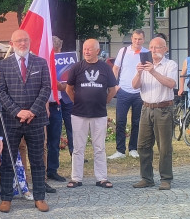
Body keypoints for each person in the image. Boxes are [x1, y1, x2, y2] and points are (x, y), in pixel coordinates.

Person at [0, 29, 52, 213]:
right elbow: (0, 91)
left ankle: (40, 197)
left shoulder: (41, 63)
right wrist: (17, 111)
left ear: (30, 42)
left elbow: (46, 88)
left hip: (35, 120)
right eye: (18, 41)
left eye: (25, 40)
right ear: (11, 43)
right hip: (11, 120)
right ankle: (6, 198)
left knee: (37, 160)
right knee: (8, 160)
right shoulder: (3, 66)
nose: (22, 44)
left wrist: (32, 111)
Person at [65, 39, 118, 188]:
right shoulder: (77, 67)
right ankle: (76, 178)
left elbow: (113, 89)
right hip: (79, 114)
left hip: (99, 114)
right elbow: (69, 89)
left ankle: (102, 178)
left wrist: (105, 101)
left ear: (97, 51)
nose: (86, 51)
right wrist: (78, 101)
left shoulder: (105, 68)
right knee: (78, 147)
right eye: (85, 49)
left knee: (99, 147)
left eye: (90, 49)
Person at [131, 37, 178, 190]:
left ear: (165, 49)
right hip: (146, 108)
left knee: (164, 146)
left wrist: (153, 71)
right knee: (142, 145)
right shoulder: (144, 66)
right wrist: (139, 73)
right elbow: (134, 86)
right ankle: (146, 178)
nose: (153, 50)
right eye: (151, 47)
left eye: (157, 47)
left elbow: (171, 84)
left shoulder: (170, 64)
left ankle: (165, 178)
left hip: (163, 108)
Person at [109, 30, 145, 159]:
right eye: (135, 39)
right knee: (120, 121)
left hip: (139, 92)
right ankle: (120, 150)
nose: (137, 41)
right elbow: (116, 68)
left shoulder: (145, 53)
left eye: (140, 39)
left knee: (136, 122)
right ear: (131, 38)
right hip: (123, 90)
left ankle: (133, 148)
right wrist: (115, 85)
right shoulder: (123, 51)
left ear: (143, 40)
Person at [46, 35, 69, 183]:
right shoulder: (40, 61)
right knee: (39, 142)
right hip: (40, 106)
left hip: (56, 104)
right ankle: (39, 171)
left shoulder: (61, 63)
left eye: (58, 50)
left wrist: (62, 84)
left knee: (54, 140)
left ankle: (52, 170)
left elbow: (64, 86)